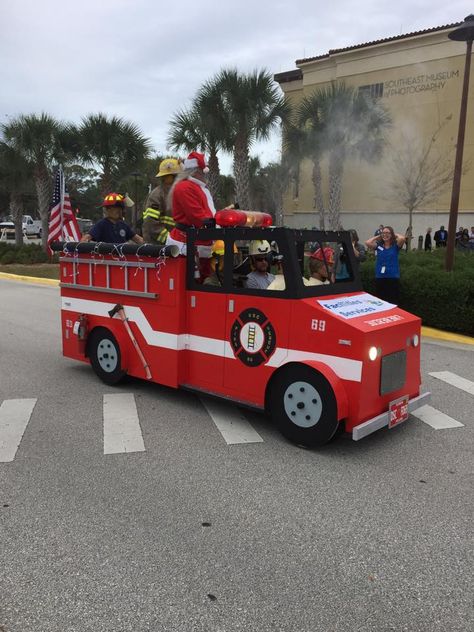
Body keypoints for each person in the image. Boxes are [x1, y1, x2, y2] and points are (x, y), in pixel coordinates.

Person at [166, 151, 217, 280]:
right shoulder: (185, 188)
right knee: (190, 282)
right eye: (202, 171)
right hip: (187, 244)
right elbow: (197, 217)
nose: (204, 175)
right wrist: (218, 224)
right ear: (196, 171)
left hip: (200, 242)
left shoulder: (197, 187)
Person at [142, 158, 182, 244]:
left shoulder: (178, 193)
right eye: (174, 176)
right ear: (163, 177)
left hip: (175, 243)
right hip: (157, 246)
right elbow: (150, 223)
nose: (178, 179)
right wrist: (169, 240)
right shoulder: (156, 195)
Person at [365, 226, 405, 304]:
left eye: (387, 233)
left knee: (392, 300)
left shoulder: (395, 246)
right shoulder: (379, 246)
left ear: (391, 234)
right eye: (383, 233)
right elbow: (367, 242)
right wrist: (378, 236)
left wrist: (394, 234)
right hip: (380, 277)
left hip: (392, 277)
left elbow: (402, 238)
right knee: (380, 301)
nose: (385, 235)